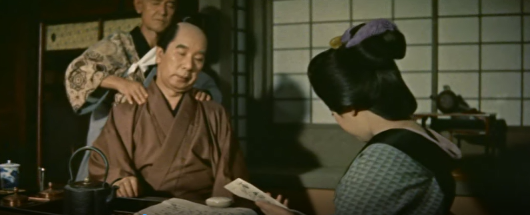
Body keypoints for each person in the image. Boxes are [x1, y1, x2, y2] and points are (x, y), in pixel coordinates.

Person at [256, 19, 462, 215]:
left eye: (334, 111)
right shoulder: (427, 137)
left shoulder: (379, 160)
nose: (336, 118)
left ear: (349, 107)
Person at [89, 21, 249, 206]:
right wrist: (120, 179)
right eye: (181, 54)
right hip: (143, 206)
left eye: (198, 59)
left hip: (202, 209)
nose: (188, 65)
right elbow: (105, 162)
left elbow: (231, 175)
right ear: (160, 54)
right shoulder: (126, 110)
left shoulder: (214, 113)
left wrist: (221, 205)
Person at [64, 0, 222, 181]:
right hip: (114, 138)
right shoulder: (119, 44)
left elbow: (200, 82)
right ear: (139, 5)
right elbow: (76, 72)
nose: (162, 11)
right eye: (155, 3)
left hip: (151, 147)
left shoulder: (176, 50)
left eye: (169, 5)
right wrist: (120, 83)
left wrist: (200, 93)